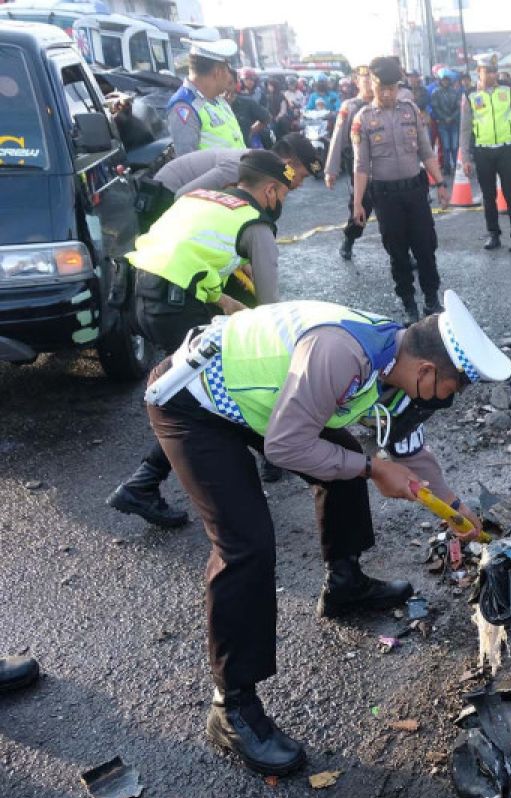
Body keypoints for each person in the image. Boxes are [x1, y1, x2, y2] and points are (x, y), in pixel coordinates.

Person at [142, 292, 511, 775]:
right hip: (194, 404)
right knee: (246, 545)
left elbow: (408, 448)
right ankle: (232, 709)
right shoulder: (343, 354)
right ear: (427, 372)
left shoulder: (397, 363)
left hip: (263, 402)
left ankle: (345, 584)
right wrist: (370, 469)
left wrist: (455, 507)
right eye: (453, 389)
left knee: (343, 462)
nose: (450, 399)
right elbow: (285, 445)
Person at [107, 152, 295, 527]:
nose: (281, 204)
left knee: (185, 390)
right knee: (208, 392)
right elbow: (271, 305)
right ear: (270, 190)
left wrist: (224, 301)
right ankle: (144, 485)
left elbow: (186, 254)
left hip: (135, 299)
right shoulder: (255, 224)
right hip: (173, 306)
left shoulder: (199, 197)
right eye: (283, 196)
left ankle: (267, 456)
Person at [352, 57, 450, 323]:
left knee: (425, 246)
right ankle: (408, 302)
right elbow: (361, 165)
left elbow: (426, 150)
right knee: (397, 251)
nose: (386, 93)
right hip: (385, 196)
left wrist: (440, 183)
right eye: (381, 87)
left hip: (415, 192)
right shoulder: (363, 119)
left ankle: (432, 298)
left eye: (392, 87)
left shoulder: (411, 110)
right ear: (371, 84)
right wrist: (357, 202)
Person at [460, 55, 511, 253]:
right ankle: (494, 235)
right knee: (488, 197)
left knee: (510, 194)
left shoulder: (506, 90)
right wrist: (465, 158)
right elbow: (464, 129)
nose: (493, 75)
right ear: (478, 72)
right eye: (488, 71)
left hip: (506, 150)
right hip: (483, 152)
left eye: (494, 71)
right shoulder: (470, 95)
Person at [152, 132, 323, 199]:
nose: (300, 184)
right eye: (301, 177)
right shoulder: (243, 167)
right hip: (167, 193)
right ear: (288, 164)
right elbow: (182, 198)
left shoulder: (260, 170)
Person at [325, 66, 375, 260]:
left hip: (385, 165)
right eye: (365, 78)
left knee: (394, 211)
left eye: (373, 78)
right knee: (361, 206)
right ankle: (349, 240)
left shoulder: (385, 103)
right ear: (357, 81)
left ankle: (403, 252)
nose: (370, 82)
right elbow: (337, 137)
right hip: (359, 166)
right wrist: (331, 169)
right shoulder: (350, 106)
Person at [166, 40, 244, 156]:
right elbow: (188, 165)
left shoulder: (218, 99)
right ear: (217, 72)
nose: (229, 76)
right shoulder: (184, 107)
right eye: (227, 70)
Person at [430, 69, 462, 179]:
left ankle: (457, 169)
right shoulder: (435, 92)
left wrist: (451, 117)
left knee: (454, 147)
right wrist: (445, 118)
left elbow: (459, 107)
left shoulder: (455, 92)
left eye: (447, 80)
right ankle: (447, 168)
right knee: (446, 147)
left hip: (453, 123)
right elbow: (435, 107)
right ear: (440, 81)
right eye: (443, 80)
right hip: (443, 123)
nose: (445, 82)